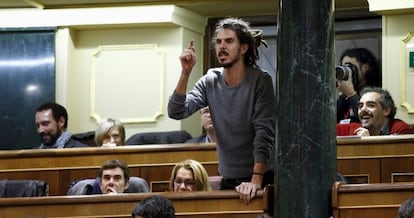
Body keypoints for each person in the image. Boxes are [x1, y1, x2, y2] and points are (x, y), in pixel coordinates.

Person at [168, 17, 275, 204]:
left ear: (243, 48)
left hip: (263, 177)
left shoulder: (260, 80)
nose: (222, 46)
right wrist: (185, 72)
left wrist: (255, 181)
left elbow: (263, 133)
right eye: (218, 42)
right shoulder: (210, 80)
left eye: (229, 41)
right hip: (229, 178)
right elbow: (176, 112)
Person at [337, 87, 414, 136]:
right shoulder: (354, 129)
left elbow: (393, 161)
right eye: (360, 106)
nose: (363, 109)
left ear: (386, 110)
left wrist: (368, 143)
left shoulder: (401, 130)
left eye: (370, 105)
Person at [337, 48, 381, 124]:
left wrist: (351, 94)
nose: (347, 71)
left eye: (349, 66)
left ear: (365, 68)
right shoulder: (344, 95)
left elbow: (371, 121)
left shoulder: (376, 93)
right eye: (343, 67)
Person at [67, 159, 149, 195]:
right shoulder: (82, 190)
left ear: (126, 184)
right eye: (107, 178)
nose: (111, 182)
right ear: (100, 183)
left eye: (117, 178)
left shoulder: (138, 187)